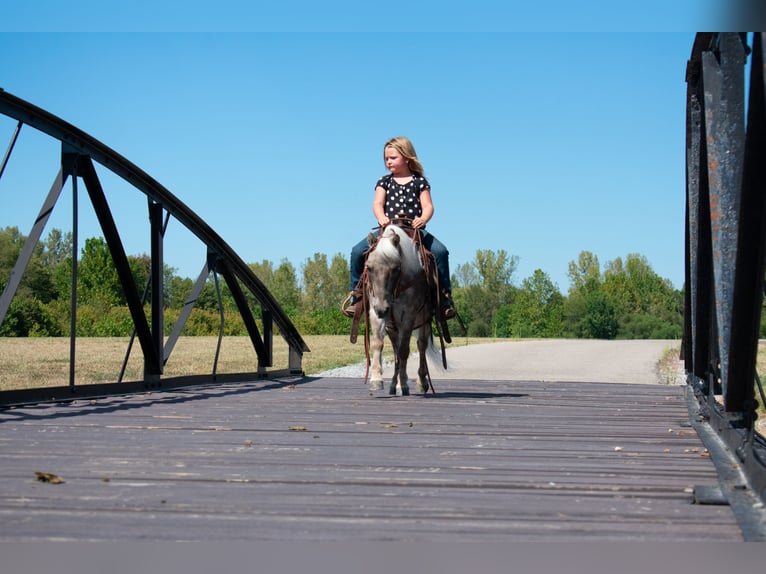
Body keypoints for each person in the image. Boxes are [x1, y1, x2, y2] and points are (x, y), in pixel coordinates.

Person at [342, 136, 455, 320]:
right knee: (357, 251)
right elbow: (377, 203)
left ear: (407, 157)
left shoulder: (420, 182)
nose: (388, 162)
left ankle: (444, 300)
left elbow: (428, 206)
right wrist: (382, 218)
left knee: (440, 252)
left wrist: (423, 218)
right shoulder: (384, 181)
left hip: (414, 230)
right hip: (388, 230)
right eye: (386, 158)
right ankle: (357, 297)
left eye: (393, 158)